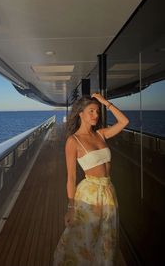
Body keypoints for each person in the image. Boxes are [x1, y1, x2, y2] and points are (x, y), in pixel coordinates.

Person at [53, 93, 129, 266]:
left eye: (97, 111)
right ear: (80, 113)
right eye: (91, 111)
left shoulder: (101, 135)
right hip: (88, 195)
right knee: (86, 239)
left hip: (108, 191)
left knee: (107, 237)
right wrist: (71, 208)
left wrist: (105, 102)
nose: (96, 115)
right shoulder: (73, 141)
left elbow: (124, 122)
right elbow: (71, 178)